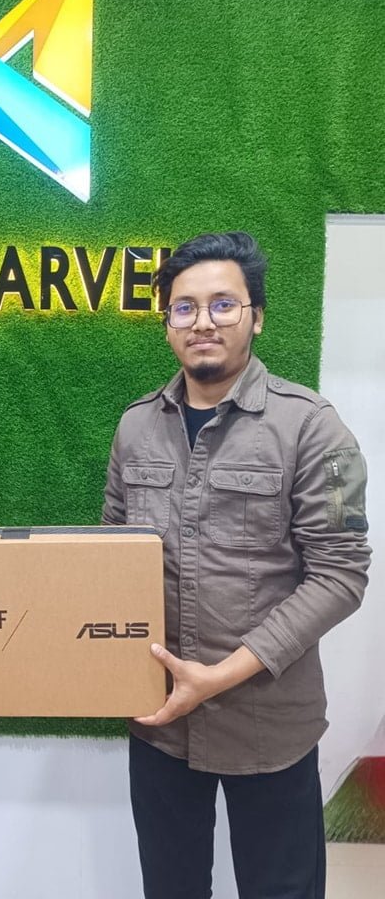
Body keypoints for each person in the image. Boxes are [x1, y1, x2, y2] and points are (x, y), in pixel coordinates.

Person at [102, 231, 370, 899]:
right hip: (161, 723)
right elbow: (109, 561)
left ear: (257, 316)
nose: (203, 322)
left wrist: (219, 676)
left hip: (269, 725)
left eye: (223, 304)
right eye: (184, 307)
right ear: (167, 324)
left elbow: (340, 574)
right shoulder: (135, 427)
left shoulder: (312, 426)